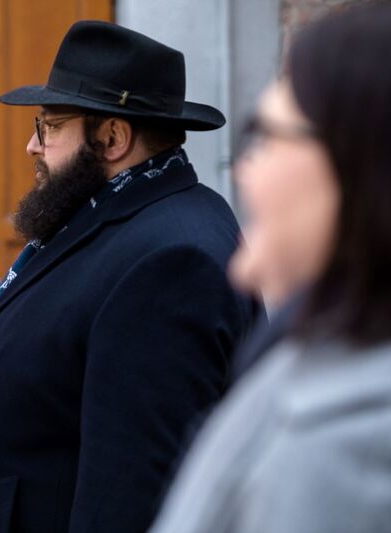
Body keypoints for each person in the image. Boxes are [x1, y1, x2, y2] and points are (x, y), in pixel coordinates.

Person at [0, 21, 261, 532]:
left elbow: (132, 495)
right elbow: (74, 382)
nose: (32, 146)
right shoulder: (114, 215)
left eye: (48, 127)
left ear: (112, 137)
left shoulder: (170, 261)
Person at [149, 3, 391, 532]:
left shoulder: (350, 441)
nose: (245, 166)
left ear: (357, 164)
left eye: (263, 134)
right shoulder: (313, 359)